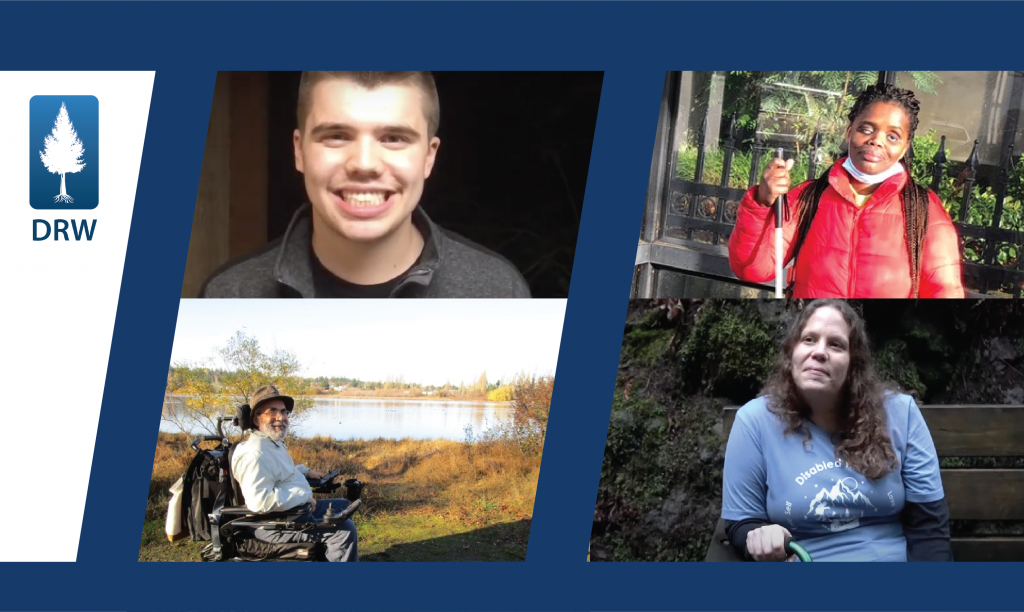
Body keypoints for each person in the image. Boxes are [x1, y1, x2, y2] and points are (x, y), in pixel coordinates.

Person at [200, 71, 530, 298]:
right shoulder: (229, 292)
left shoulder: (498, 290)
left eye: (394, 138)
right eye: (337, 136)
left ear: (429, 158)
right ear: (299, 151)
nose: (364, 164)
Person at [721, 300, 952, 562]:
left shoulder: (900, 413)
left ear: (854, 365)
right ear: (791, 353)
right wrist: (758, 535)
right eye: (808, 339)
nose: (819, 352)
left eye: (836, 344)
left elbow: (929, 527)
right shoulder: (755, 421)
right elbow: (742, 523)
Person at [728, 83, 964, 298]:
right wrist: (762, 202)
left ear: (904, 148)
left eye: (892, 136)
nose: (877, 141)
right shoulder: (809, 198)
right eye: (867, 129)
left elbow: (945, 293)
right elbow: (751, 270)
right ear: (849, 132)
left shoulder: (924, 210)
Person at [230, 385, 358, 562]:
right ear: (256, 419)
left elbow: (281, 473)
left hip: (291, 513)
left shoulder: (271, 443)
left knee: (342, 505)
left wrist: (305, 472)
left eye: (283, 411)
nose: (281, 417)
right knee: (344, 530)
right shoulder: (255, 453)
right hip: (271, 525)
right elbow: (259, 500)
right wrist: (304, 497)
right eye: (272, 411)